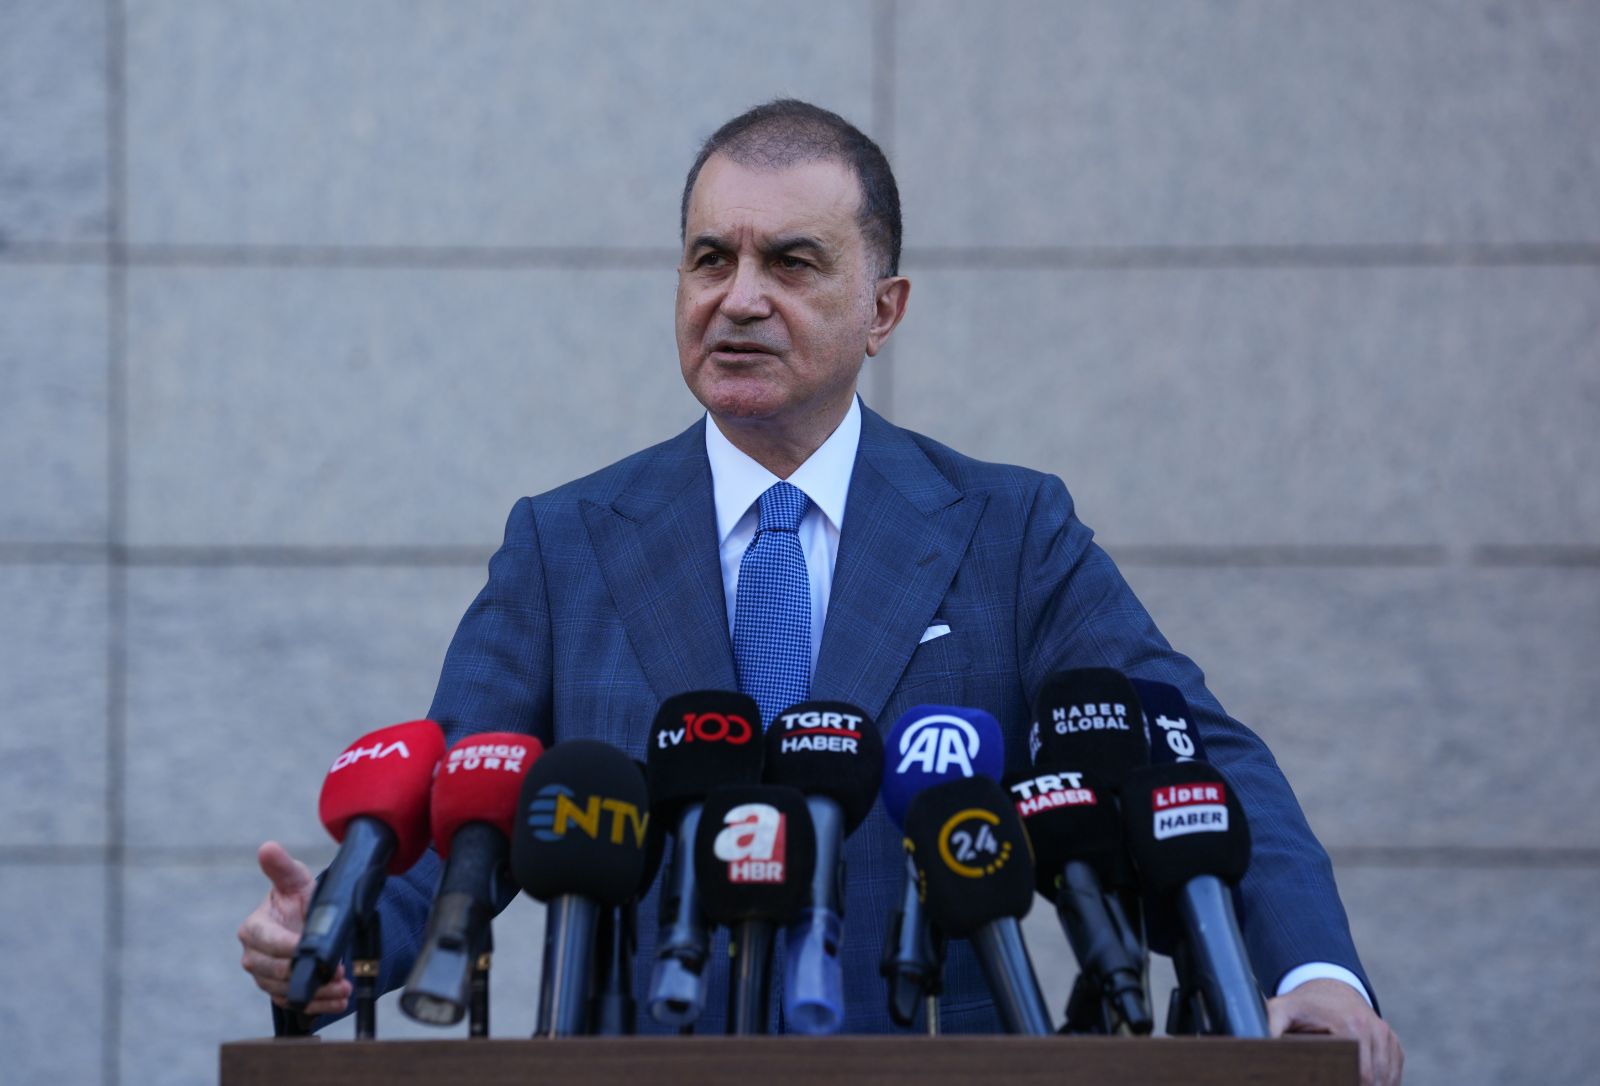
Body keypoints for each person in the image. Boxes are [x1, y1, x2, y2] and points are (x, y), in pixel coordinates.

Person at [239, 99, 1402, 1083]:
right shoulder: (564, 543)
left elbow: (1194, 760)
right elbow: (460, 815)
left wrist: (1314, 977)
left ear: (882, 310)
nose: (739, 298)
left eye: (790, 263)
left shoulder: (1008, 532)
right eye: (711, 259)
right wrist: (334, 938)